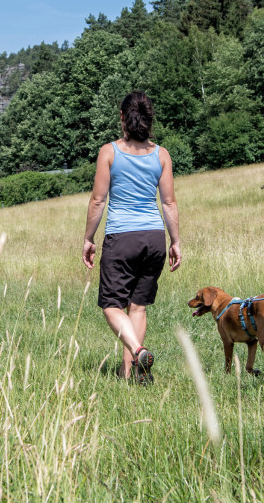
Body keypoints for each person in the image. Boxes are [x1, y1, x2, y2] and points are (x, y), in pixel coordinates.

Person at [82, 91, 181, 385]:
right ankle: (131, 373)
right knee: (137, 306)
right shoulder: (161, 154)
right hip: (154, 239)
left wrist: (88, 238)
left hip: (122, 238)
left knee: (111, 305)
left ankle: (138, 350)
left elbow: (98, 200)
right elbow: (169, 203)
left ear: (123, 118)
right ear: (149, 121)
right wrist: (175, 242)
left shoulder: (109, 152)